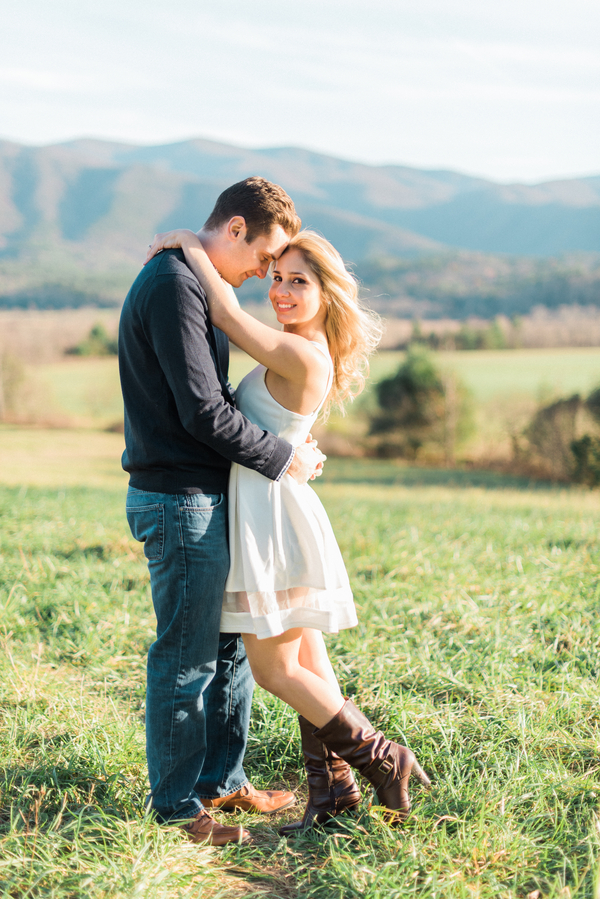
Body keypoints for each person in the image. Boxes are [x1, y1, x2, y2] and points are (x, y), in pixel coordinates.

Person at [144, 226, 431, 834]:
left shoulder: (299, 352)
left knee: (276, 669)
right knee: (309, 662)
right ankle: (335, 796)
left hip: (271, 519)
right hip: (274, 504)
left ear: (326, 292)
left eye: (297, 281)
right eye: (276, 276)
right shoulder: (299, 346)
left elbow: (221, 309)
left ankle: (383, 757)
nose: (279, 290)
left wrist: (188, 244)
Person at [119, 177, 326, 847]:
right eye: (265, 258)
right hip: (179, 500)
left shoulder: (196, 278)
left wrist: (293, 442)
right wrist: (280, 456)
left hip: (208, 496)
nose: (267, 274)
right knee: (187, 657)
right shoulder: (176, 285)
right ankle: (179, 807)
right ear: (234, 229)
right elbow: (203, 411)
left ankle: (221, 779)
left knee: (229, 647)